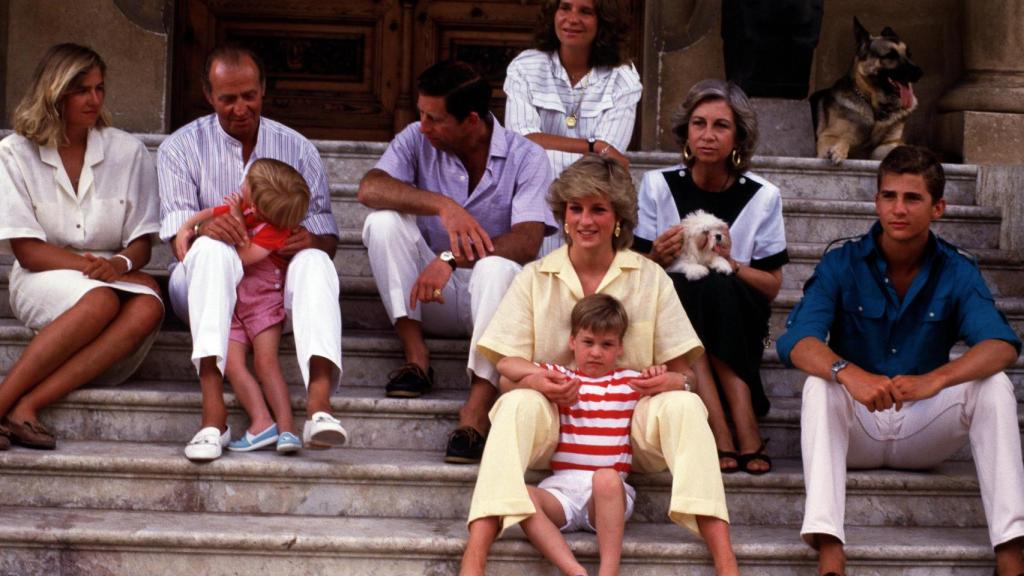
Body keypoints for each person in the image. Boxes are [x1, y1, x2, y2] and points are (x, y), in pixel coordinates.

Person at [461, 155, 738, 576]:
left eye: (598, 209)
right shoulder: (535, 277)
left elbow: (687, 373)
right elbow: (505, 367)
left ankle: (723, 554)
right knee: (517, 402)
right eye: (576, 209)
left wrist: (669, 381)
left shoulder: (650, 277)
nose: (585, 220)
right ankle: (477, 549)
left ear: (619, 219)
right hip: (557, 424)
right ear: (564, 216)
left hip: (633, 425)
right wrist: (537, 377)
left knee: (685, 406)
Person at [777, 145, 1024, 576]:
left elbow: (1001, 344)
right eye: (889, 196)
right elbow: (797, 340)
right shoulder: (843, 261)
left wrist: (938, 379)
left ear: (939, 207)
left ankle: (1010, 550)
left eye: (912, 198)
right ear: (876, 202)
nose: (898, 209)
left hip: (923, 426)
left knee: (995, 384)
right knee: (821, 383)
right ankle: (829, 546)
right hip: (860, 425)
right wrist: (849, 373)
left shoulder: (957, 270)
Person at [357, 59, 554, 464]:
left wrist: (449, 257)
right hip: (426, 297)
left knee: (498, 268)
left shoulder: (527, 157)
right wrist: (444, 206)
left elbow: (528, 241)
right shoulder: (416, 138)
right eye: (422, 115)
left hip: (492, 305)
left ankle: (476, 412)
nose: (422, 126)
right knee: (382, 223)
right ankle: (417, 359)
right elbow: (369, 188)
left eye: (434, 118)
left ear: (471, 120)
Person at [159, 44, 346, 462]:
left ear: (263, 90)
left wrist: (309, 241)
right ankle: (213, 413)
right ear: (209, 96)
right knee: (211, 251)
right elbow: (176, 236)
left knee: (314, 261)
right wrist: (205, 229)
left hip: (268, 291)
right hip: (199, 284)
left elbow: (329, 235)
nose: (240, 108)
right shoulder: (179, 148)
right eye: (227, 98)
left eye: (249, 95)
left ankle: (319, 406)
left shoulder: (297, 148)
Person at [0, 43, 164, 451]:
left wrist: (122, 263)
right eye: (82, 90)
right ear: (55, 94)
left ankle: (27, 406)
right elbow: (27, 251)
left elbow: (143, 240)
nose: (95, 99)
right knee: (101, 301)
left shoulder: (128, 152)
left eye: (100, 88)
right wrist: (94, 269)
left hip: (112, 272)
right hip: (43, 274)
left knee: (149, 302)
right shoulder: (13, 154)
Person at [634, 79, 787, 475]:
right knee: (690, 284)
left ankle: (725, 428)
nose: (708, 135)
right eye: (699, 123)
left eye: (721, 125)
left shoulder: (763, 195)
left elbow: (771, 286)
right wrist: (655, 255)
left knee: (714, 283)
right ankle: (737, 424)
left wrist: (732, 264)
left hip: (740, 312)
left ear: (739, 136)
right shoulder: (658, 185)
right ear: (686, 131)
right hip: (675, 310)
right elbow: (637, 274)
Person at [495, 293, 655, 576]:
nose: (595, 352)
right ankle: (573, 570)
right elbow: (505, 366)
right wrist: (539, 379)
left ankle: (608, 572)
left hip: (608, 497)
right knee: (520, 495)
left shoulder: (630, 382)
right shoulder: (560, 377)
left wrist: (661, 373)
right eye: (588, 342)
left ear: (620, 348)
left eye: (607, 345)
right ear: (572, 341)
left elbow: (677, 382)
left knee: (606, 477)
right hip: (562, 493)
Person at [175, 158, 311, 453]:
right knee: (233, 364)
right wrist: (188, 226)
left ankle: (287, 428)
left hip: (263, 303)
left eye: (246, 182)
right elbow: (209, 213)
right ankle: (261, 422)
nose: (241, 184)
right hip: (235, 305)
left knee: (266, 363)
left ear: (260, 205)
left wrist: (236, 216)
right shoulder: (247, 210)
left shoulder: (274, 229)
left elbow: (244, 256)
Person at [504, 0, 641, 255]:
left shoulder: (622, 77)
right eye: (565, 8)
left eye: (585, 11)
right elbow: (520, 142)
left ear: (603, 23)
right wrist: (592, 146)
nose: (572, 18)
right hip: (531, 198)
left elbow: (605, 163)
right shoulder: (525, 67)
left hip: (591, 198)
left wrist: (548, 153)